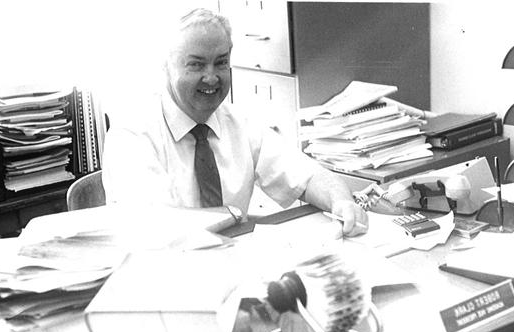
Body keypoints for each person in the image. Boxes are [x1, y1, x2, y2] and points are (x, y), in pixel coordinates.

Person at [102, 8, 368, 237]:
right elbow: (159, 229)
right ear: (166, 66)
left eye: (221, 63)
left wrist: (341, 201)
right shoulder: (131, 135)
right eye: (196, 65)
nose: (211, 78)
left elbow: (307, 177)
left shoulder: (239, 122)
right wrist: (241, 218)